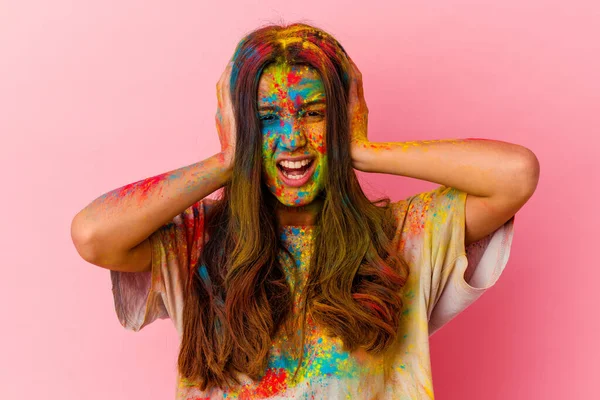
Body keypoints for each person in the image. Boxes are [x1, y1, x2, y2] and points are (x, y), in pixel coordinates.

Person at [71, 22, 538, 399]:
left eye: (313, 112)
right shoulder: (198, 243)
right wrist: (229, 160)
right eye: (267, 118)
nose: (292, 138)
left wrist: (361, 149)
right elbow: (93, 234)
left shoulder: (402, 238)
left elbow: (515, 174)